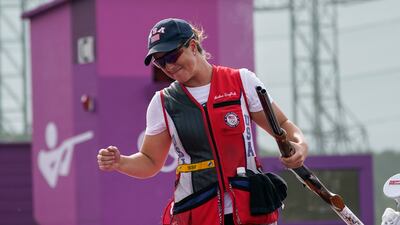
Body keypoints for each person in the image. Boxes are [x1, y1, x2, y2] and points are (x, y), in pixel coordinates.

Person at [97, 18, 308, 225]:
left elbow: (284, 125)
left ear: (192, 45)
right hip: (197, 212)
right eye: (160, 61)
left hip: (251, 208)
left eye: (172, 55)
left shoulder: (242, 81)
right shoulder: (163, 102)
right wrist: (120, 162)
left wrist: (300, 146)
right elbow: (150, 162)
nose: (168, 66)